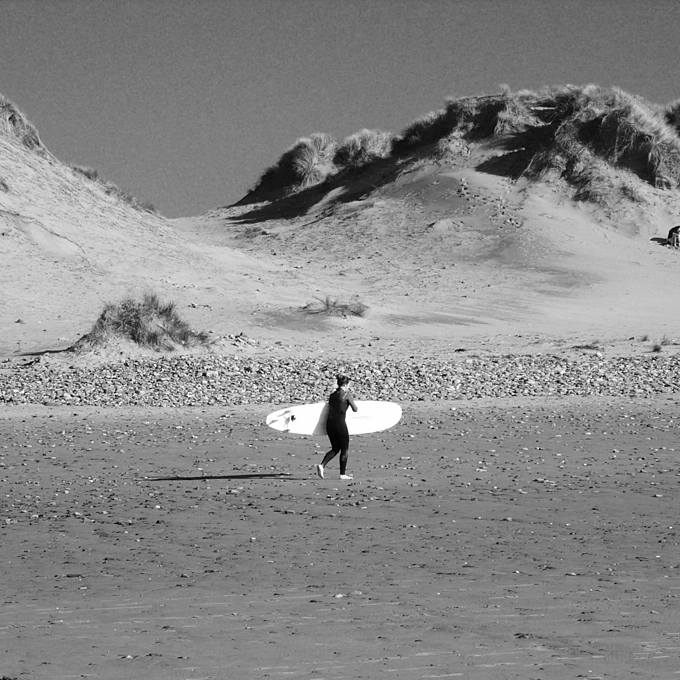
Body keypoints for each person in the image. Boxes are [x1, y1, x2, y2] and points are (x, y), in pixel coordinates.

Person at [315, 374, 358, 480]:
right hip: (340, 425)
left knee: (335, 448)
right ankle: (342, 474)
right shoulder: (346, 395)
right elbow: (355, 409)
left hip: (330, 425)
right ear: (346, 384)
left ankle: (322, 465)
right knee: (345, 448)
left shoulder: (332, 395)